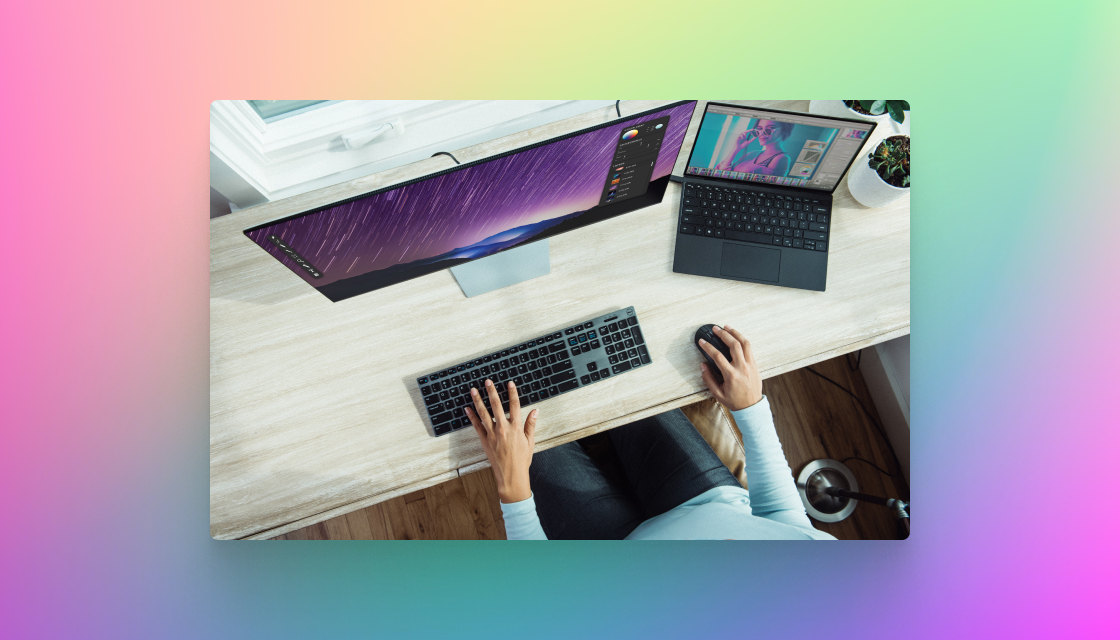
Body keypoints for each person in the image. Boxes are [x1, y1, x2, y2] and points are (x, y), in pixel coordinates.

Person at [462, 325, 834, 540]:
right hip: (703, 503)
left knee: (507, 401)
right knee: (618, 363)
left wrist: (513, 491)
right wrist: (752, 409)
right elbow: (783, 518)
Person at [715, 120, 794, 177]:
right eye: (759, 129)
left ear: (784, 130)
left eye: (769, 129)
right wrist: (736, 149)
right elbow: (720, 173)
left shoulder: (781, 158)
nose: (762, 133)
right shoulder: (753, 154)